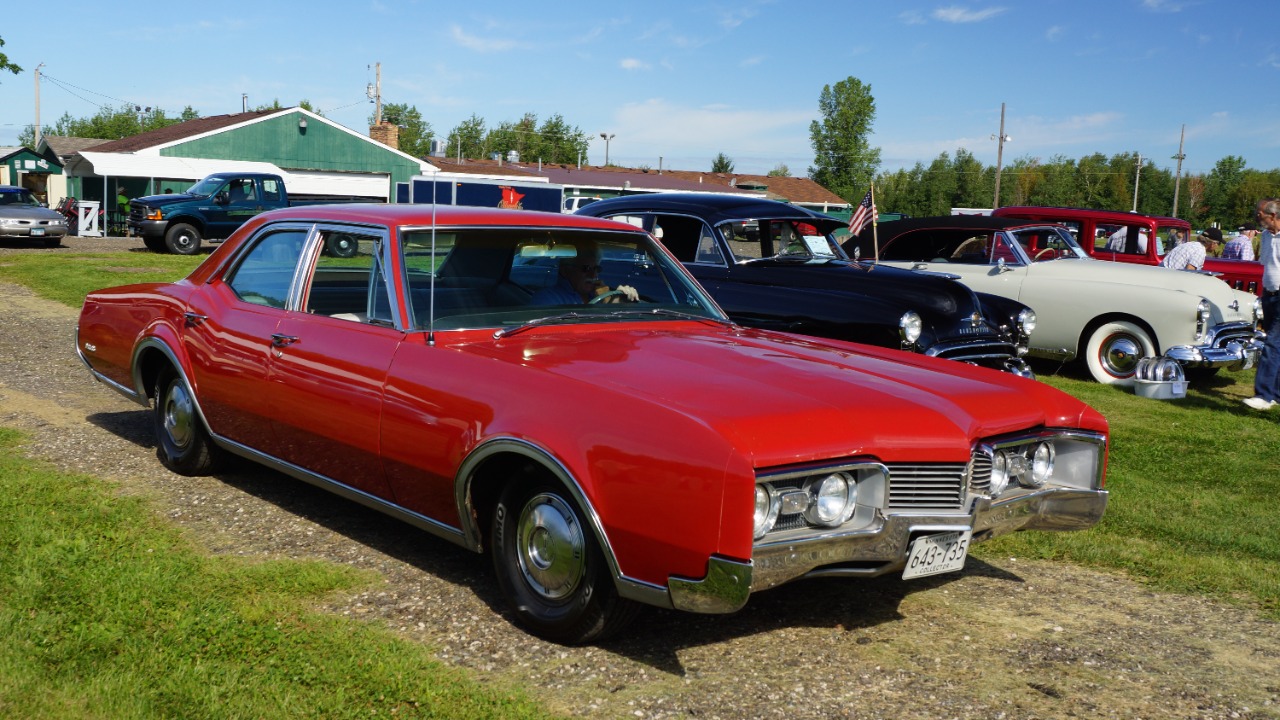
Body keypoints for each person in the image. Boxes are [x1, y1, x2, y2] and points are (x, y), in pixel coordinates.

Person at [1245, 198, 1280, 411]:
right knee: (1276, 345)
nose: (1258, 218)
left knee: (1273, 344)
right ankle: (1275, 393)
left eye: (1260, 215)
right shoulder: (1266, 237)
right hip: (1269, 294)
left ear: (1273, 215)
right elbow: (1266, 265)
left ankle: (1264, 395)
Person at [530, 241, 639, 305]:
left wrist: (614, 300)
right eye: (586, 268)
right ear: (565, 270)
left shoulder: (598, 294)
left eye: (596, 268)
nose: (593, 275)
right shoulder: (547, 299)